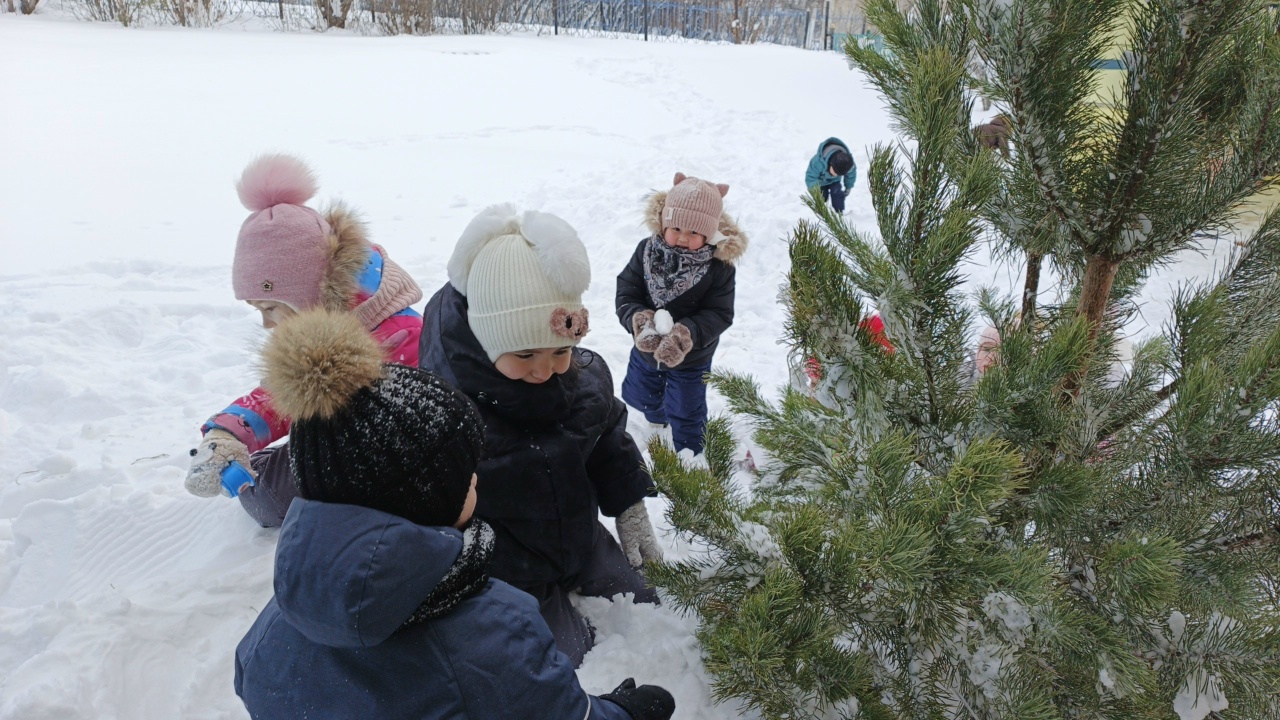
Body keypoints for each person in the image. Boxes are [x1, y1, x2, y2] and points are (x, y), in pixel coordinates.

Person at [233, 309, 675, 720]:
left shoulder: (270, 631)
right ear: (424, 501)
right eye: (465, 476)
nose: (476, 480)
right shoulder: (491, 632)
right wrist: (621, 713)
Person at [418, 205, 664, 667]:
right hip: (509, 563)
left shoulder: (581, 381)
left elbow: (606, 436)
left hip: (578, 535)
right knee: (564, 656)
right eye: (525, 353)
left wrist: (629, 502)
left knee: (645, 602)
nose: (544, 369)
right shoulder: (451, 411)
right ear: (487, 340)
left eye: (560, 351)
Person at [182, 154, 423, 528]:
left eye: (270, 307)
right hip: (346, 452)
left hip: (395, 464)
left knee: (270, 495)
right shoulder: (324, 331)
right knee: (264, 488)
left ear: (309, 294)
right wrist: (228, 433)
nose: (267, 324)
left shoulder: (398, 336)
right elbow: (285, 395)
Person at [616, 173, 748, 458]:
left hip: (692, 356)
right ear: (664, 222)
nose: (683, 238)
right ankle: (657, 416)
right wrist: (637, 319)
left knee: (687, 410)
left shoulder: (718, 268)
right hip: (647, 349)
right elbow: (627, 289)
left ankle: (690, 456)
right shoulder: (646, 252)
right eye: (676, 228)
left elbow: (719, 313)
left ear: (708, 234)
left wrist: (686, 333)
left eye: (694, 232)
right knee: (640, 394)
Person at [805, 137, 857, 214]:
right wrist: (815, 191)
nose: (835, 175)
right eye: (835, 172)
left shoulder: (847, 164)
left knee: (837, 194)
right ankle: (821, 211)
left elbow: (851, 174)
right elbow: (811, 177)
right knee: (822, 196)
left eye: (839, 174)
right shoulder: (818, 162)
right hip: (820, 183)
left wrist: (848, 186)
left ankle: (839, 213)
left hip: (834, 182)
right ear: (831, 163)